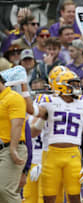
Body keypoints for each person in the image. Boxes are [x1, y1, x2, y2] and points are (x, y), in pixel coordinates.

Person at [34, 70, 83, 203]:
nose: (76, 87)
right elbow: (35, 118)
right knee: (49, 198)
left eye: (77, 84)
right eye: (72, 84)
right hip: (51, 155)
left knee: (74, 196)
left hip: (73, 155)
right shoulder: (49, 101)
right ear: (61, 86)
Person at [0, 73, 28, 203]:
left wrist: (13, 148)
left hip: (10, 148)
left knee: (4, 189)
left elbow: (17, 124)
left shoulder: (13, 97)